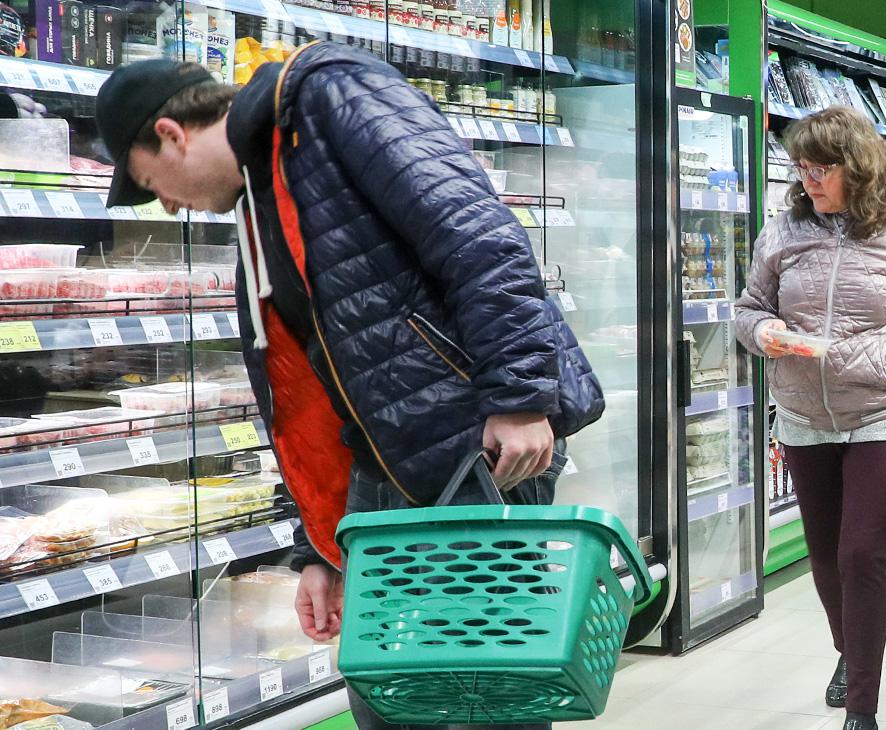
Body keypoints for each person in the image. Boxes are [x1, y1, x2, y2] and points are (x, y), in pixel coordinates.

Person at [94, 43, 604, 730]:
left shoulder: (327, 96)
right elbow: (304, 393)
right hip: (386, 460)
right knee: (389, 692)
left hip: (472, 442)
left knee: (484, 689)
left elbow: (479, 235)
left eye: (151, 184)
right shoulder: (260, 193)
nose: (168, 205)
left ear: (170, 134)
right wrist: (320, 548)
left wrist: (518, 398)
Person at [735, 107, 886, 730]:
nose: (809, 181)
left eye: (823, 168)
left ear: (858, 168)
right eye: (801, 168)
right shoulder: (785, 229)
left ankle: (862, 705)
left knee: (861, 552)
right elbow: (748, 307)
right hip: (804, 412)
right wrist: (766, 332)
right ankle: (850, 650)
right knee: (823, 554)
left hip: (885, 410)